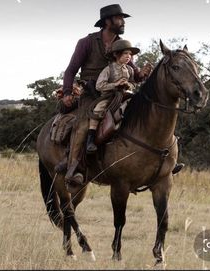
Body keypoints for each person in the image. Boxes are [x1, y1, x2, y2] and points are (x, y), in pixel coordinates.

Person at [56, 4, 153, 182]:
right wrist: (68, 92)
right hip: (91, 93)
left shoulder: (122, 45)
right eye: (119, 18)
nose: (123, 22)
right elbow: (70, 71)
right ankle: (73, 168)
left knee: (143, 114)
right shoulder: (86, 42)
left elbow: (133, 73)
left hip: (117, 94)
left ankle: (154, 162)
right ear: (107, 21)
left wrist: (142, 74)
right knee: (84, 125)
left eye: (123, 19)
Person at [86, 39, 140, 153]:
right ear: (116, 54)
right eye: (125, 53)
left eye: (130, 54)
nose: (128, 56)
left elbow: (133, 84)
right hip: (109, 97)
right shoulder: (108, 69)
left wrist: (128, 85)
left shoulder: (130, 69)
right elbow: (99, 86)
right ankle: (90, 141)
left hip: (125, 96)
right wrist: (115, 84)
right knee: (97, 110)